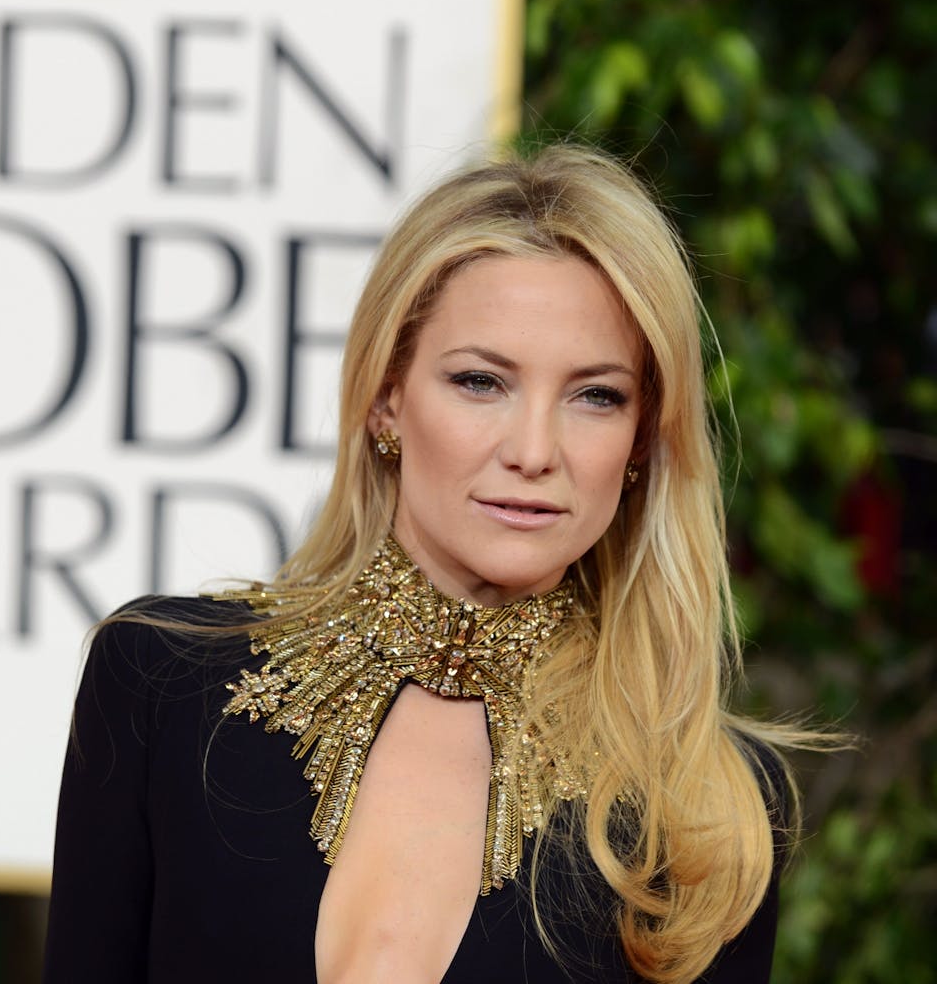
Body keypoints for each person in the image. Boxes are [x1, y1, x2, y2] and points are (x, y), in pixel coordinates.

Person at [43, 145, 805, 984]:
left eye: (596, 395)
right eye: (482, 381)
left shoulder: (707, 804)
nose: (534, 450)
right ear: (386, 396)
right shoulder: (161, 677)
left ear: (638, 442)